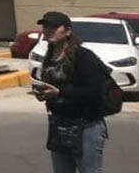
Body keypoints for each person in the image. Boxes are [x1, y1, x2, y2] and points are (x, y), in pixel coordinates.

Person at [34, 11, 114, 173]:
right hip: (59, 124)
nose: (48, 30)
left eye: (54, 27)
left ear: (68, 31)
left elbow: (96, 90)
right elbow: (54, 88)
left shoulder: (83, 56)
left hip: (86, 126)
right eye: (46, 26)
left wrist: (59, 92)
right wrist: (43, 94)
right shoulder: (49, 56)